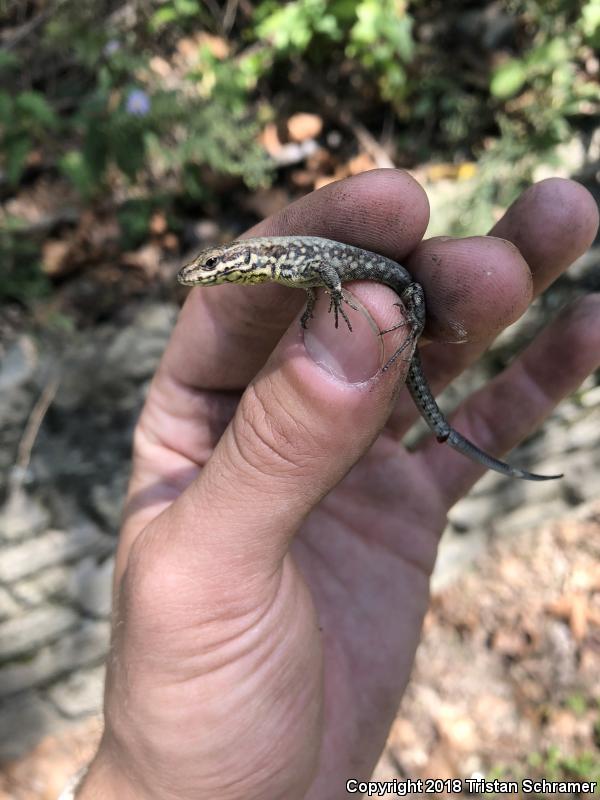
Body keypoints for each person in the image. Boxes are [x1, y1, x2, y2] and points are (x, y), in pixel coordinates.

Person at [71, 170, 599, 799]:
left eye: (211, 266)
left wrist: (339, 302)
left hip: (401, 289)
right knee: (417, 352)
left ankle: (446, 420)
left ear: (235, 261)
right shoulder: (271, 266)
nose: (205, 275)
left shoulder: (276, 257)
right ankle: (448, 427)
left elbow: (325, 270)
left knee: (413, 309)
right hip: (392, 293)